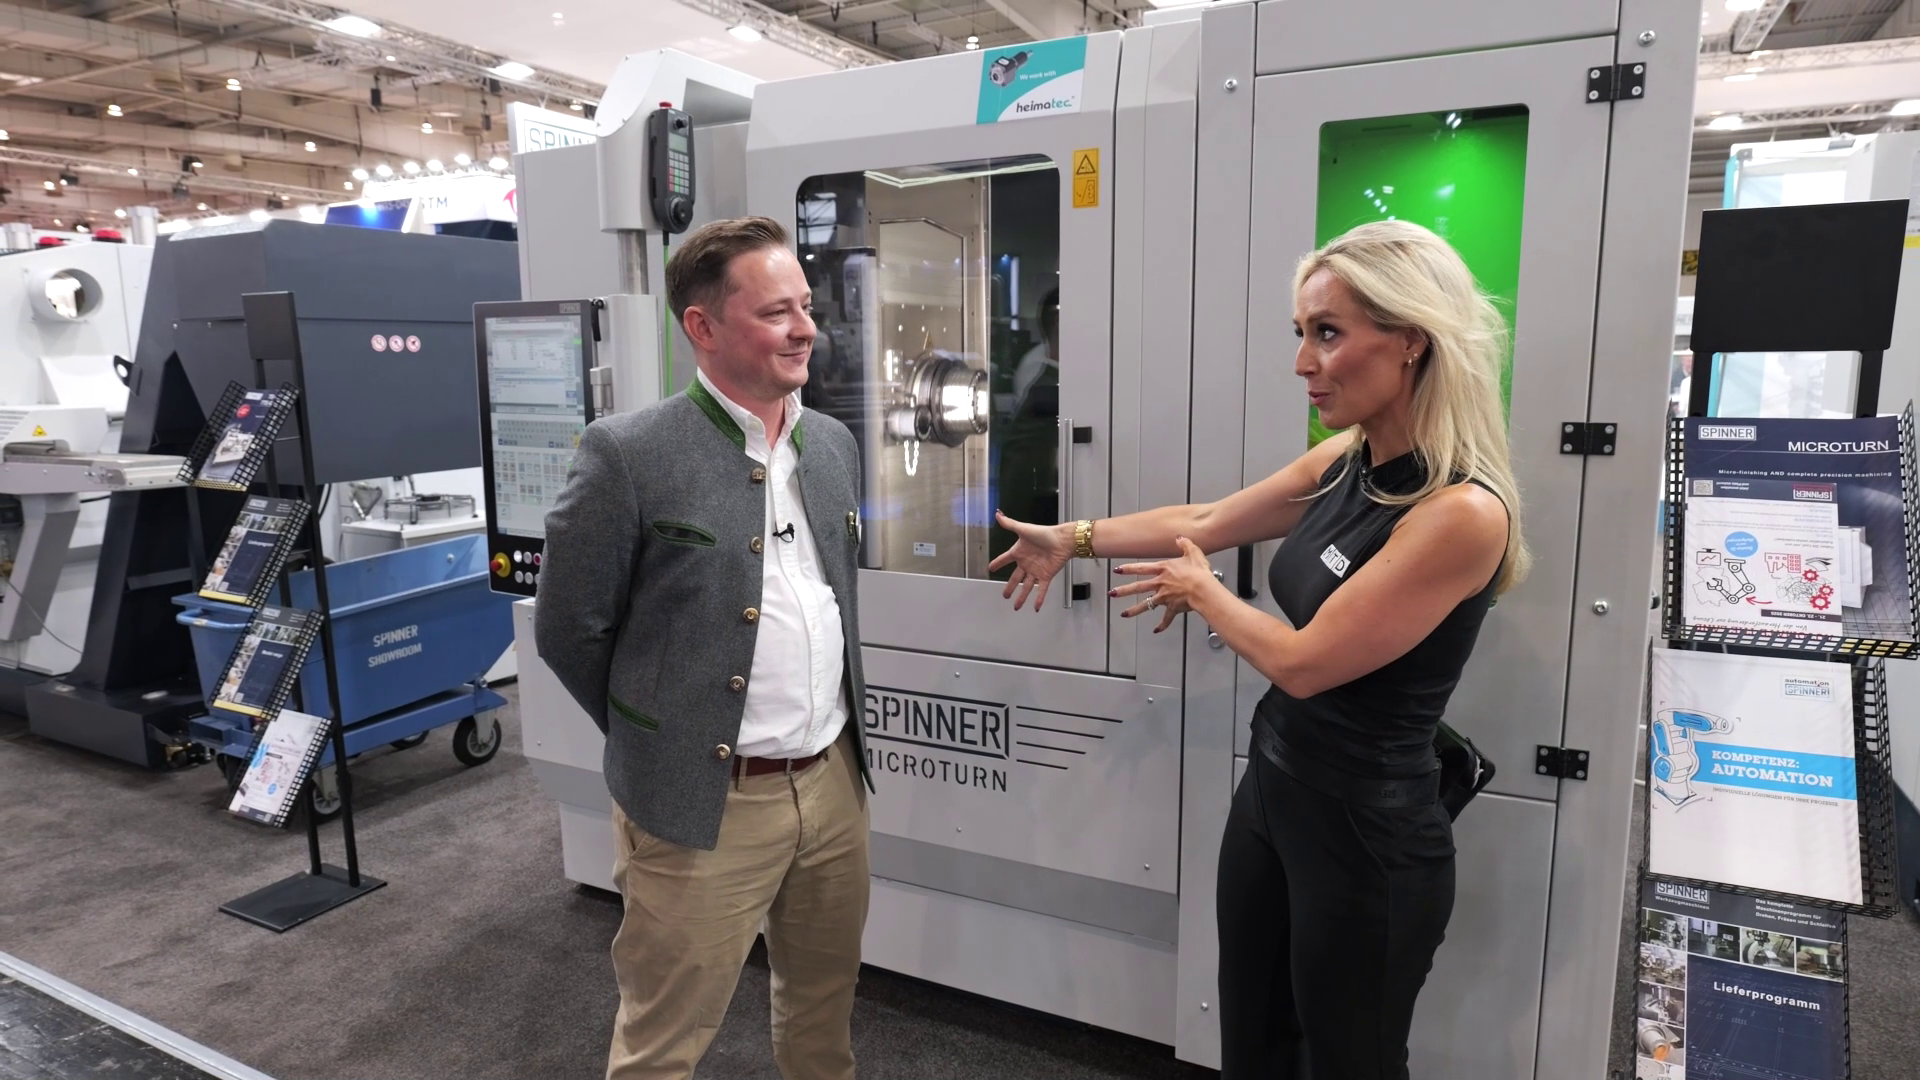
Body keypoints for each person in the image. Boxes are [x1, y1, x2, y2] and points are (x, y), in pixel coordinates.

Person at [989, 220, 1527, 1079]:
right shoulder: (1349, 457)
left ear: (1411, 340)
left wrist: (1205, 593)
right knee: (1254, 1045)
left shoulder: (1461, 513)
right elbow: (1204, 521)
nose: (1304, 362)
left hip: (1367, 833)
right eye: (1302, 333)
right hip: (1275, 791)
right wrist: (1073, 538)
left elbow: (1305, 663)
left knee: (1349, 1063)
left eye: (1329, 333)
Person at [535, 216, 873, 1080]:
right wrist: (663, 734)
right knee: (665, 1039)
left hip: (832, 783)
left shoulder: (831, 445)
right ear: (703, 326)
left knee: (824, 1009)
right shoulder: (629, 454)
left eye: (806, 307)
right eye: (775, 312)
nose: (805, 329)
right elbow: (569, 629)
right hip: (704, 802)